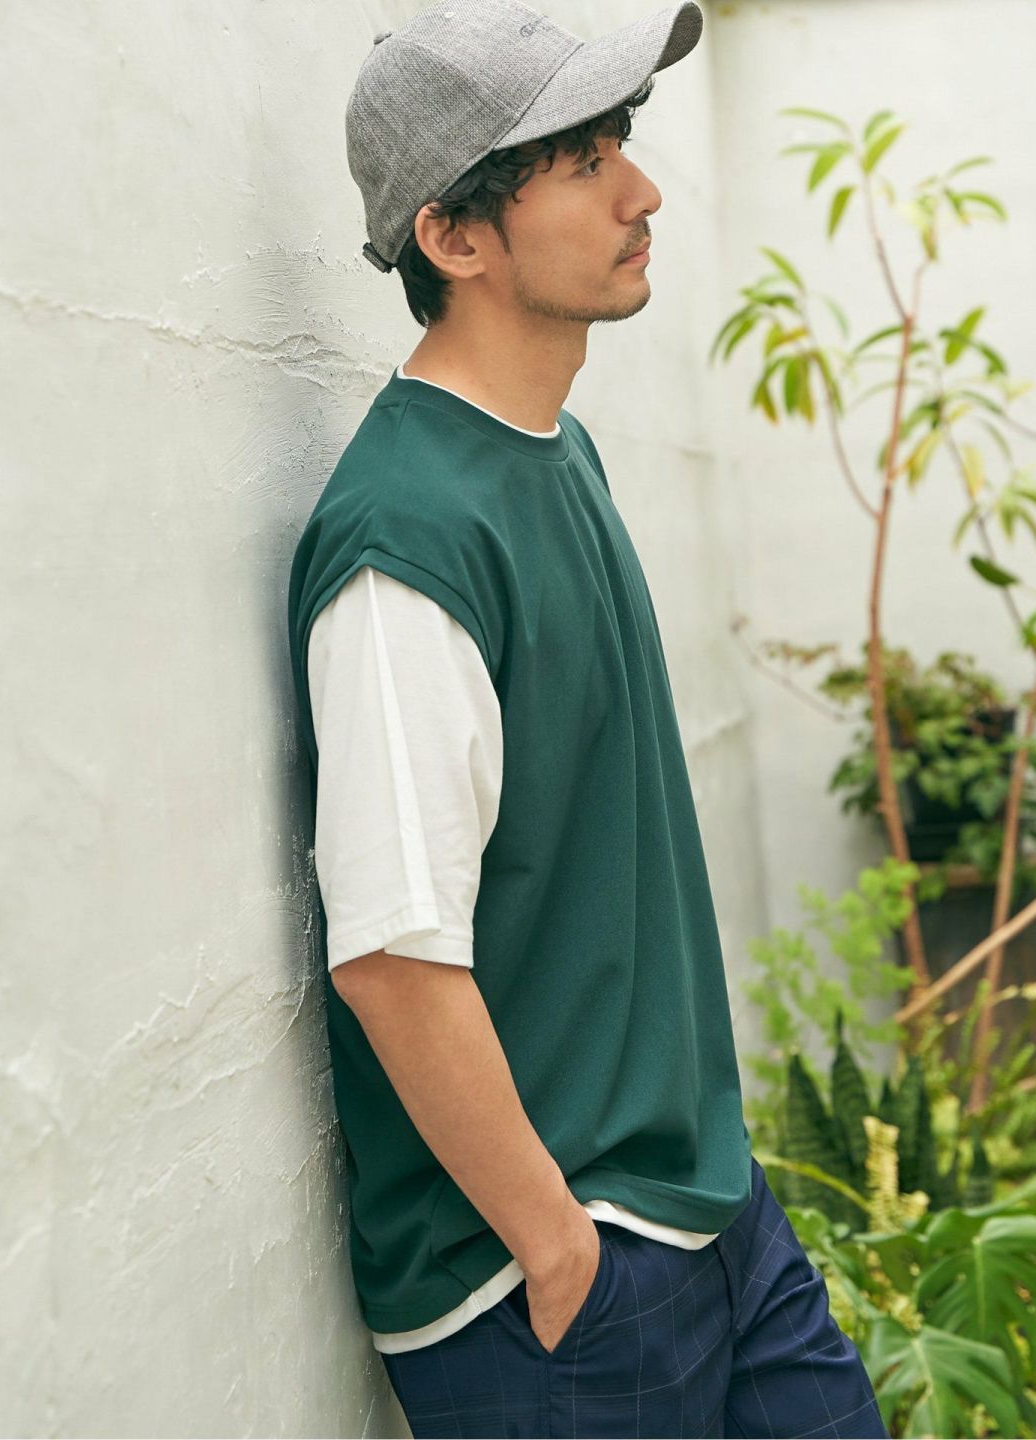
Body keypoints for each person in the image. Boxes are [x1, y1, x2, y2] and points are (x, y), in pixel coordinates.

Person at [286, 2, 888, 1435]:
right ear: (455, 237)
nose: (644, 191)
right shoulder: (406, 540)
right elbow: (392, 958)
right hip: (551, 1290)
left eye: (622, 143)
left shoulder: (562, 458)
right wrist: (559, 1248)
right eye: (583, 161)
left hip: (703, 1211)